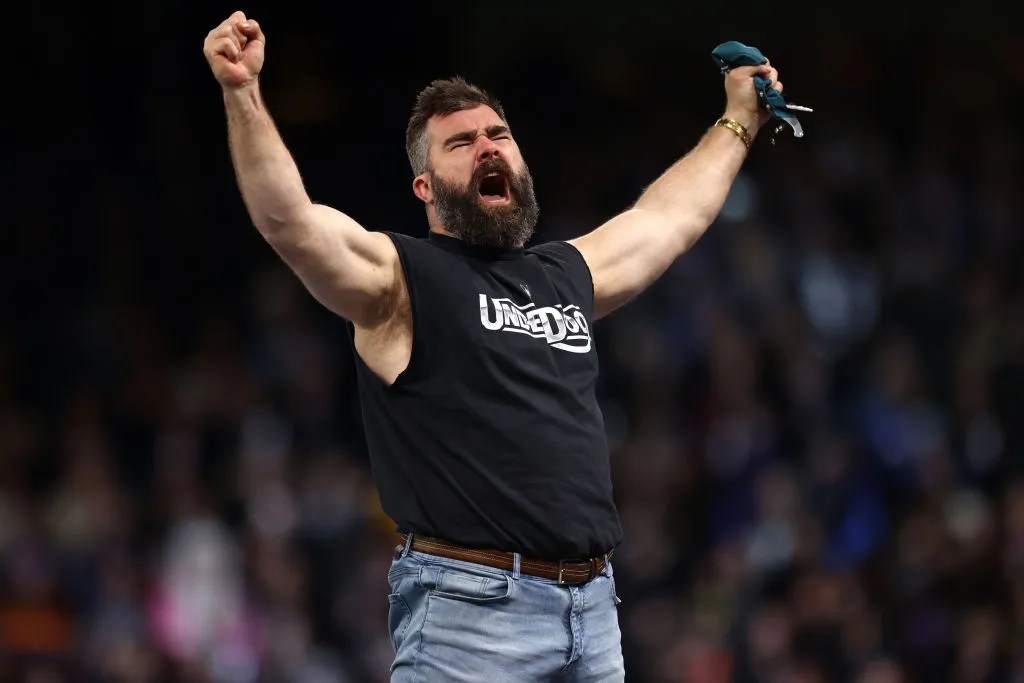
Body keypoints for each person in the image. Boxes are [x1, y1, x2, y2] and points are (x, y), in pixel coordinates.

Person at [203, 10, 785, 682]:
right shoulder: (403, 280)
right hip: (471, 617)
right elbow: (291, 221)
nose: (488, 147)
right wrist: (242, 93)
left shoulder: (563, 273)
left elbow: (668, 219)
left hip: (593, 610)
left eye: (499, 134)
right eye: (461, 143)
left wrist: (739, 121)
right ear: (424, 188)